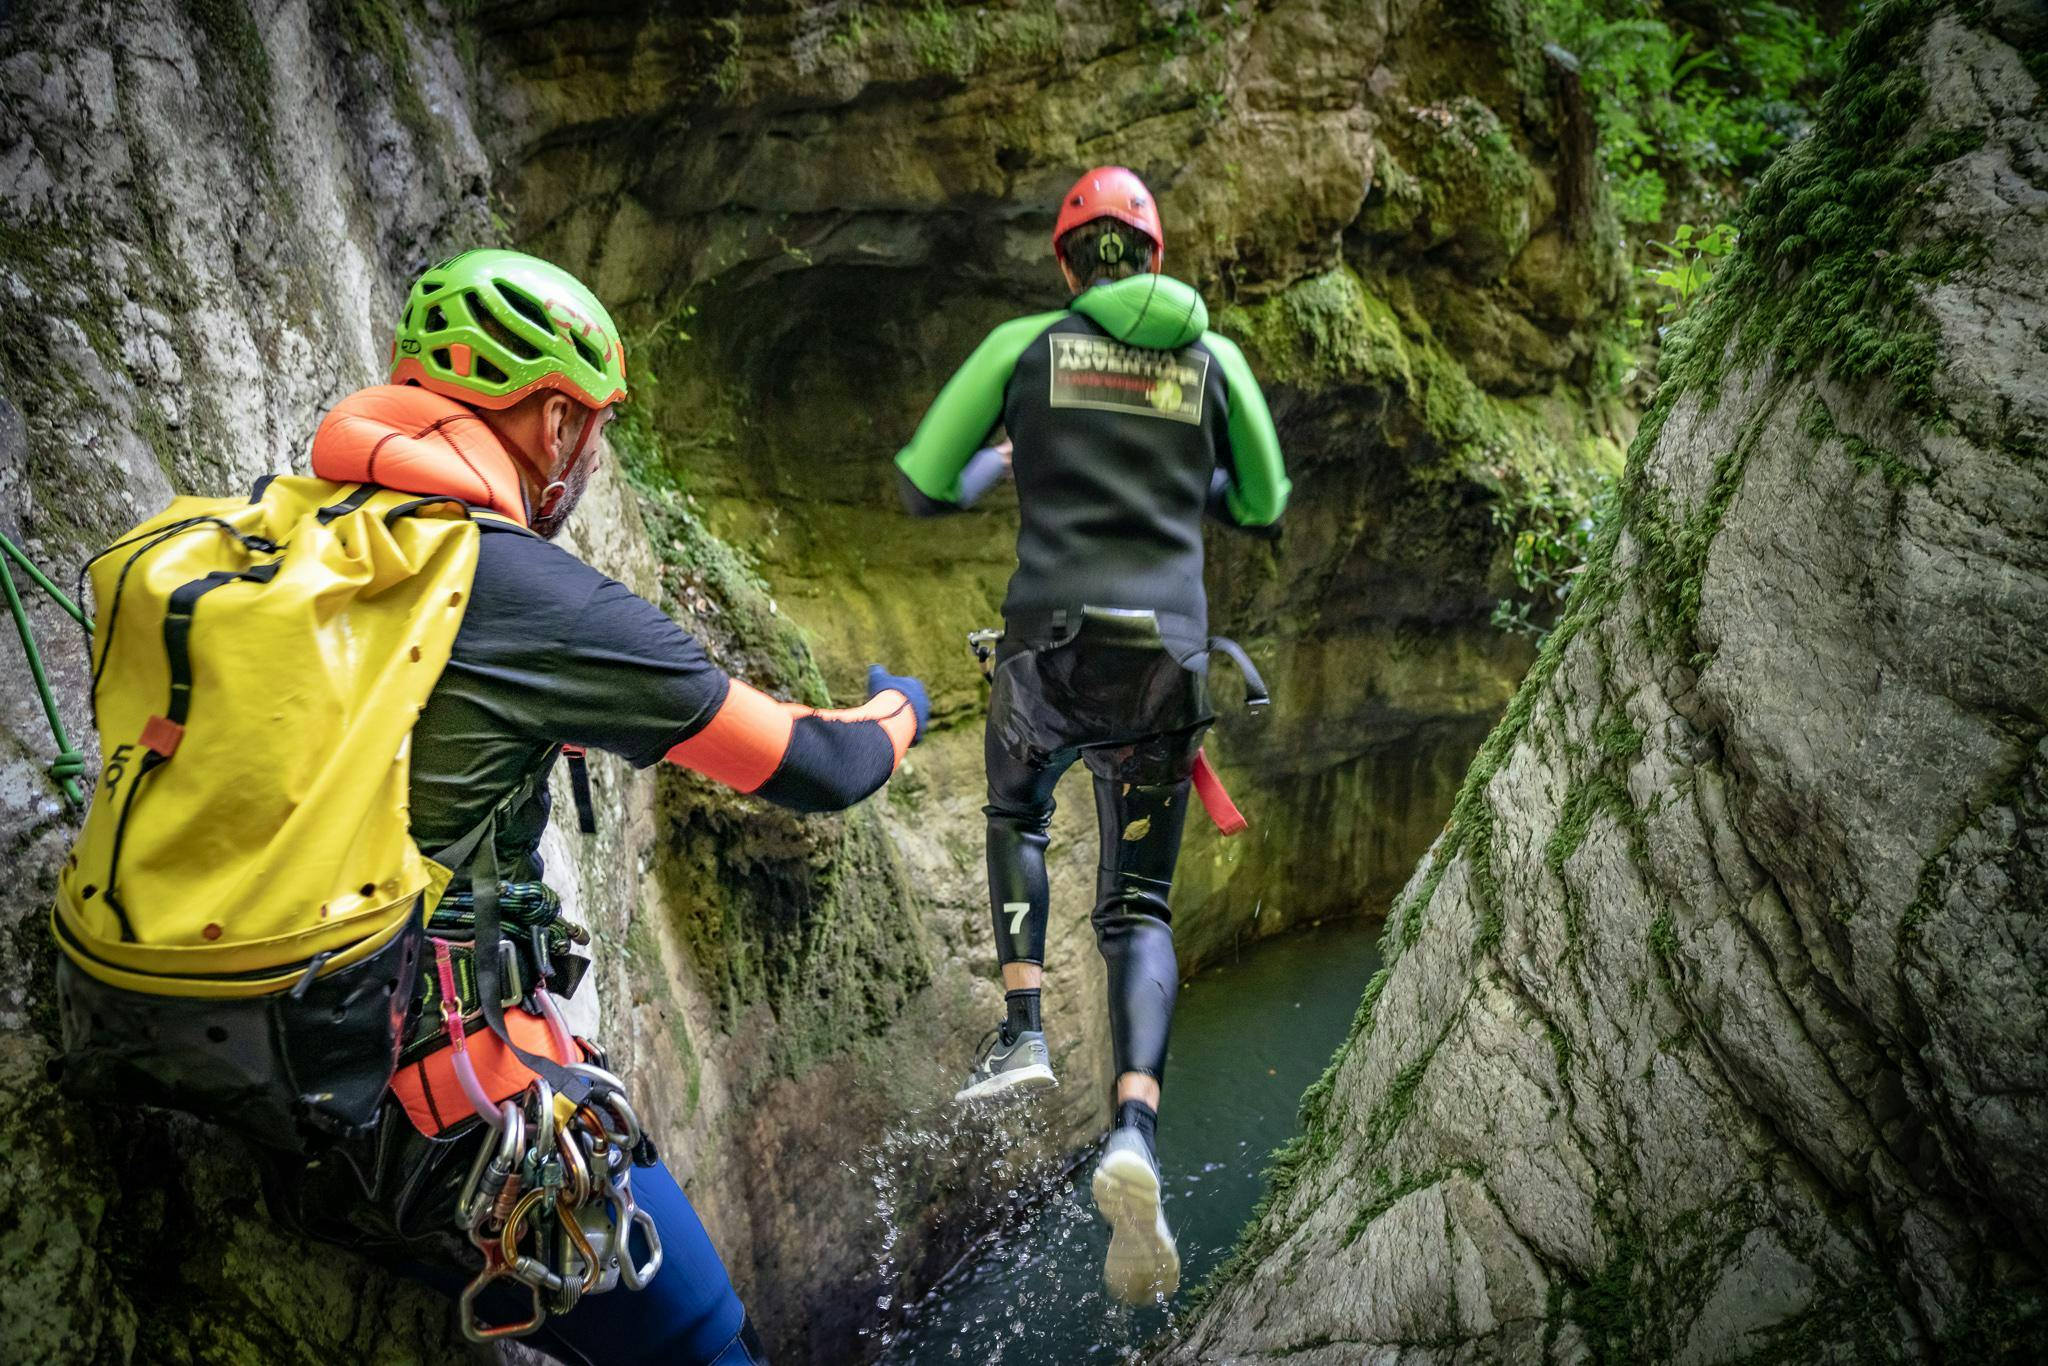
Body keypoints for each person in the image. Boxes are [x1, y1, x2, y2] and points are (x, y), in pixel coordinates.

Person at [301, 249, 930, 1364]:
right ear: (550, 422)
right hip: (435, 1101)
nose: (589, 457)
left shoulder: (313, 539)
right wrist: (898, 711)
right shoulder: (526, 590)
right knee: (705, 1340)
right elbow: (817, 771)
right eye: (592, 428)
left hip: (270, 1046)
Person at [892, 167, 1289, 1302]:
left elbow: (924, 484)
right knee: (1140, 907)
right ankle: (1133, 1132)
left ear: (1067, 267)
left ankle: (1022, 1023)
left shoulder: (1025, 344)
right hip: (1164, 663)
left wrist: (1001, 460)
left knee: (1018, 803)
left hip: (1047, 659)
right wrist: (1191, 473)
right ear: (1153, 259)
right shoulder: (1217, 362)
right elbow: (1257, 505)